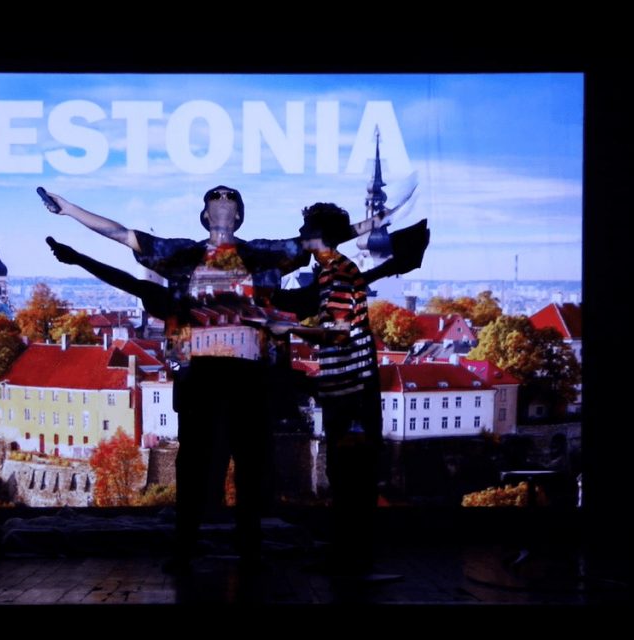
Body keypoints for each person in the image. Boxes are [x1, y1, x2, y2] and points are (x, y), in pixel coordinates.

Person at [39, 185, 413, 573]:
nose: (221, 204)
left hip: (246, 378)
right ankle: (192, 548)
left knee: (248, 467)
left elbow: (325, 239)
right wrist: (69, 211)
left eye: (228, 202)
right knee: (196, 466)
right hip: (203, 376)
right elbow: (121, 237)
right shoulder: (185, 254)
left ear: (239, 215)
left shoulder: (260, 255)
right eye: (215, 201)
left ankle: (244, 549)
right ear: (205, 215)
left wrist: (379, 223)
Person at [273, 203, 428, 576]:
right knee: (349, 474)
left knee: (349, 475)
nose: (300, 234)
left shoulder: (338, 274)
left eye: (306, 229)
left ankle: (352, 558)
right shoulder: (334, 271)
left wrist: (288, 329)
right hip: (348, 387)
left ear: (320, 236)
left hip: (352, 392)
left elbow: (339, 333)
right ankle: (350, 555)